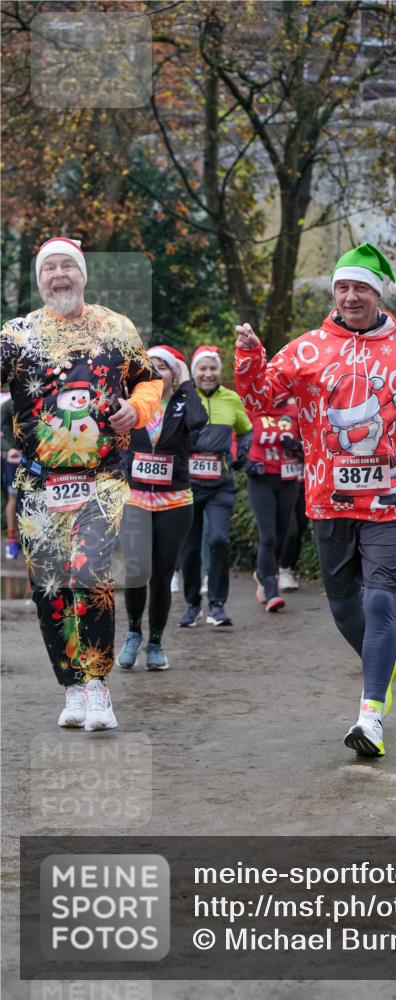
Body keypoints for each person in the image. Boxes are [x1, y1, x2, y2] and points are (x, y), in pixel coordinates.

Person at [235, 243, 396, 757]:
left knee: (379, 598)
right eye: (343, 287)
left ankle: (370, 716)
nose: (350, 296)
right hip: (329, 498)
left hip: (391, 499)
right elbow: (260, 401)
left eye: (361, 288)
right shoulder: (306, 350)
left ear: (379, 294)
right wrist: (250, 355)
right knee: (345, 604)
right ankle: (382, 662)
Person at [0, 237, 162, 731]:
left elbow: (149, 380)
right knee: (49, 587)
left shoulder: (116, 328)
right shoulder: (17, 334)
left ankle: (97, 686)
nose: (59, 275)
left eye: (68, 265)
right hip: (36, 484)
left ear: (83, 275)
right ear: (39, 280)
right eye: (49, 268)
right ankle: (71, 687)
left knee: (88, 573)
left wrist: (137, 410)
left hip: (102, 478)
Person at [117, 345, 208, 670]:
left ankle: (155, 642)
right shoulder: (132, 402)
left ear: (174, 373)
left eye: (163, 367)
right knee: (136, 572)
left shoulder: (184, 402)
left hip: (175, 502)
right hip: (135, 500)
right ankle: (132, 634)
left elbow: (199, 422)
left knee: (162, 576)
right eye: (150, 366)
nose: (156, 371)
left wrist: (187, 385)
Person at [179, 345, 252, 628]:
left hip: (221, 485)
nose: (208, 374)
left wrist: (241, 455)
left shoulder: (232, 399)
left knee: (219, 540)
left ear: (219, 371)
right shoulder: (184, 399)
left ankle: (218, 605)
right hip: (188, 485)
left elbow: (246, 430)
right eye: (202, 369)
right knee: (190, 546)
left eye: (212, 368)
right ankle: (192, 605)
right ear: (194, 371)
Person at [246, 398, 303, 611]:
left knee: (283, 535)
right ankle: (271, 591)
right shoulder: (253, 408)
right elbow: (237, 435)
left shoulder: (296, 411)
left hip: (288, 481)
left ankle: (262, 572)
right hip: (261, 480)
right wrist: (245, 461)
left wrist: (298, 447)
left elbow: (314, 444)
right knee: (268, 537)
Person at [1, 395, 21, 558]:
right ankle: (11, 541)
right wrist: (8, 449)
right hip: (14, 459)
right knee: (13, 499)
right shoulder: (8, 405)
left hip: (35, 458)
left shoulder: (36, 398)